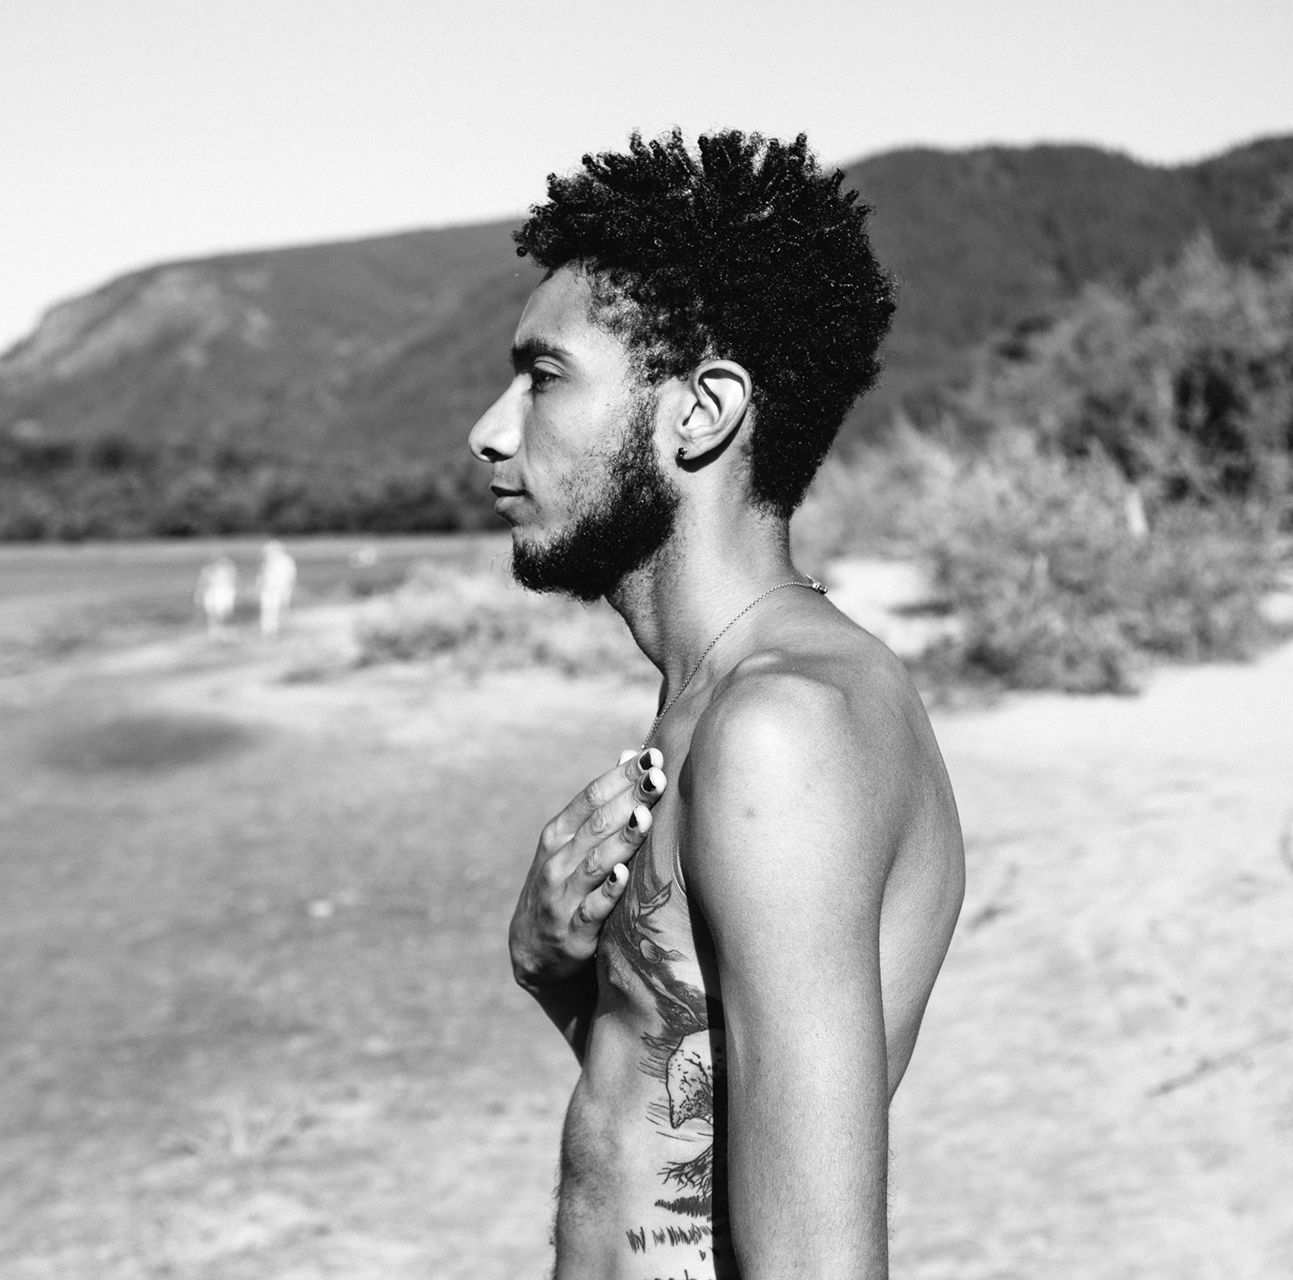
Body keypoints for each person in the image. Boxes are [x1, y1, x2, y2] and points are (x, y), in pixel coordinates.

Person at [471, 130, 966, 1279]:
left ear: (700, 411)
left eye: (545, 376)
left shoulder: (781, 731)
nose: (491, 429)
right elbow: (677, 1133)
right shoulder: (725, 700)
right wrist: (556, 971)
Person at [255, 539, 299, 636]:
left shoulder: (285, 561)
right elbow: (262, 576)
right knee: (267, 609)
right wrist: (258, 586)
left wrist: (288, 589)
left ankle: (276, 629)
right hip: (267, 589)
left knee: (277, 608)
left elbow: (290, 576)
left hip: (279, 589)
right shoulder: (267, 562)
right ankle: (268, 630)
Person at [194, 555, 237, 638]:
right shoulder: (208, 571)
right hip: (213, 593)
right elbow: (203, 584)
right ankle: (215, 633)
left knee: (223, 615)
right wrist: (199, 594)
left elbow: (233, 582)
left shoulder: (228, 570)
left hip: (222, 593)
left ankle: (223, 632)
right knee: (214, 615)